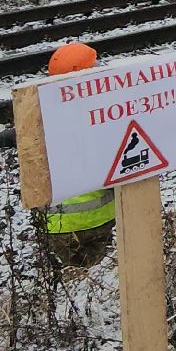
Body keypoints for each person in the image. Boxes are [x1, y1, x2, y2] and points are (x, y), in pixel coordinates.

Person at [39, 42, 116, 268]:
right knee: (94, 281)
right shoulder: (99, 116)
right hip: (97, 220)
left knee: (73, 281)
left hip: (57, 225)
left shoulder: (43, 114)